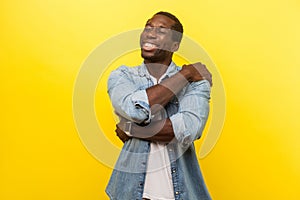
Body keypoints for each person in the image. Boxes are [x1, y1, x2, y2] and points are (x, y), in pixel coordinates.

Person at [106, 11, 212, 200]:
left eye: (161, 30)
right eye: (148, 27)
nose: (151, 33)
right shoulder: (122, 76)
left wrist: (131, 129)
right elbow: (134, 110)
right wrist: (184, 76)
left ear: (175, 45)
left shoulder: (197, 83)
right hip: (130, 193)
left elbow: (187, 129)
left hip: (180, 194)